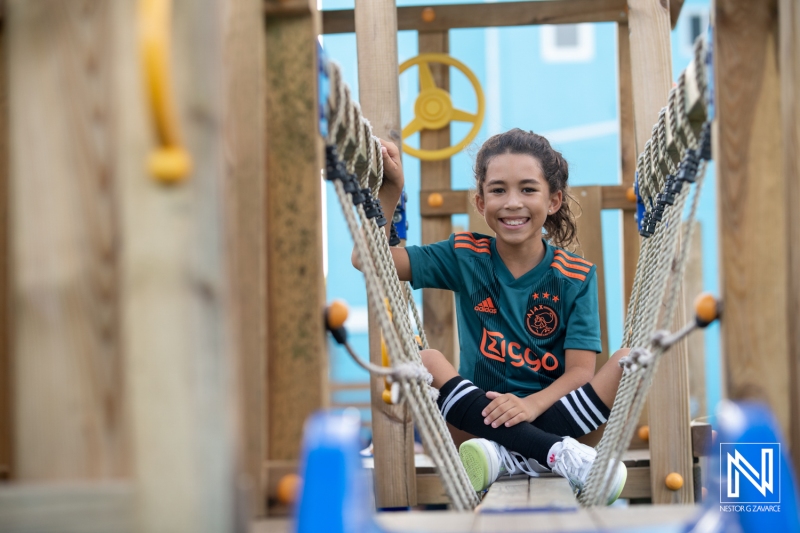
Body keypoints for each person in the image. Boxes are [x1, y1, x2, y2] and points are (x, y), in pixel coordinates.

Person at [355, 129, 628, 504]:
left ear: (553, 201)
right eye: (498, 190)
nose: (512, 202)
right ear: (481, 203)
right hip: (476, 426)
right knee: (427, 360)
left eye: (528, 189)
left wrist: (530, 405)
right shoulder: (466, 255)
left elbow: (580, 374)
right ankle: (550, 454)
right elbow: (367, 259)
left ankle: (511, 456)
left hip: (557, 417)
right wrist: (391, 189)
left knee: (629, 362)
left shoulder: (575, 276)